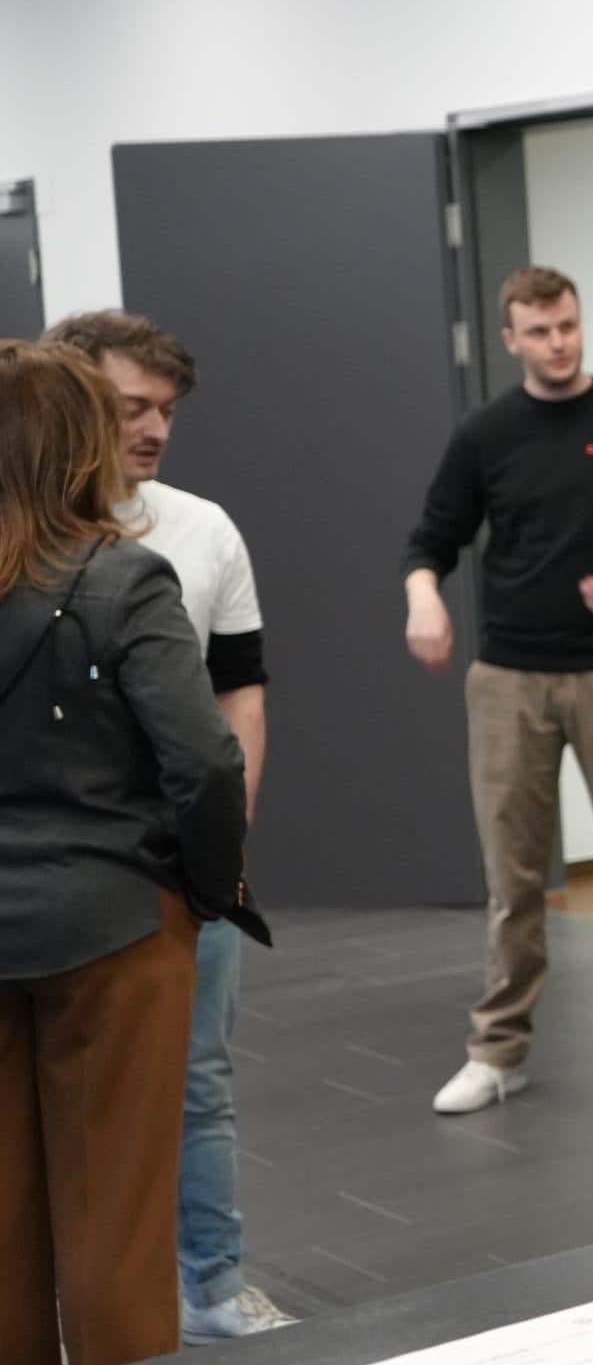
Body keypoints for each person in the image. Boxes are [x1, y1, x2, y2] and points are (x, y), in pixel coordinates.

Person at [41, 311, 291, 1341]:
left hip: (183, 857)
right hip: (64, 872)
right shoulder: (28, 534)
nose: (152, 428)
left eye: (167, 410)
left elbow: (241, 693)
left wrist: (223, 844)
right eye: (130, 405)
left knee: (201, 1080)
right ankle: (75, 1301)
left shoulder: (204, 531)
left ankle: (215, 1282)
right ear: (73, 399)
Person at [404, 266, 593, 1113]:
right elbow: (431, 539)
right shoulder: (485, 433)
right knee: (513, 873)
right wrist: (423, 597)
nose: (558, 342)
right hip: (509, 677)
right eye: (539, 332)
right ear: (511, 340)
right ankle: (498, 1048)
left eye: (568, 325)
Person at [0, 341, 248, 1365]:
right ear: (75, 445)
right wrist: (201, 886)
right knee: (115, 1223)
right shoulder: (123, 577)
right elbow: (206, 762)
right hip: (112, 931)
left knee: (4, 1221)